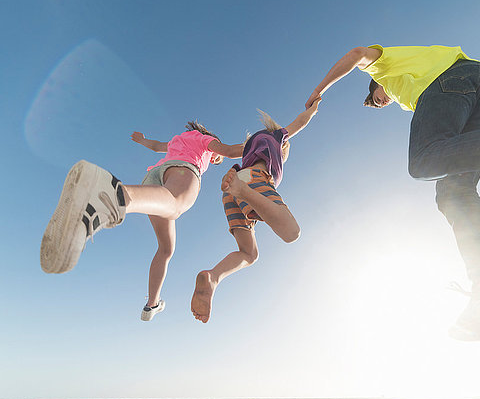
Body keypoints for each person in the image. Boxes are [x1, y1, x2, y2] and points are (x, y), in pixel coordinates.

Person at [304, 44, 480, 341]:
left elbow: (356, 53)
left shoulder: (383, 70)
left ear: (376, 86)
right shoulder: (410, 94)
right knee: (453, 192)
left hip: (450, 80)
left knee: (423, 160)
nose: (382, 102)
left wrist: (319, 89)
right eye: (379, 104)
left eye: (377, 99)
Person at [40, 121, 244, 321]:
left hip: (153, 176)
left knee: (166, 248)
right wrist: (261, 146)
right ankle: (112, 194)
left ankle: (152, 303)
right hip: (182, 169)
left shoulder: (177, 139)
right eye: (215, 159)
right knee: (176, 205)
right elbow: (229, 150)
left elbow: (157, 147)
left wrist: (142, 140)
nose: (215, 160)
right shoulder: (205, 141)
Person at [191, 99, 321, 323]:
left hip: (232, 187)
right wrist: (313, 108)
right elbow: (300, 122)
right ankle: (243, 191)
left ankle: (213, 277)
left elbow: (230, 151)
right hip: (250, 181)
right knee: (291, 232)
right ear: (282, 148)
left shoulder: (249, 146)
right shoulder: (278, 137)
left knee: (249, 253)